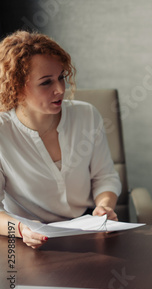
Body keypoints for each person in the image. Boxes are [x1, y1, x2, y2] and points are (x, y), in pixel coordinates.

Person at [0, 31, 121, 249]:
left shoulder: (87, 116)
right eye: (46, 83)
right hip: (25, 239)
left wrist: (104, 206)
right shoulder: (2, 132)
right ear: (16, 88)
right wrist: (21, 229)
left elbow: (105, 177)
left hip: (86, 233)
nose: (60, 89)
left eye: (61, 77)